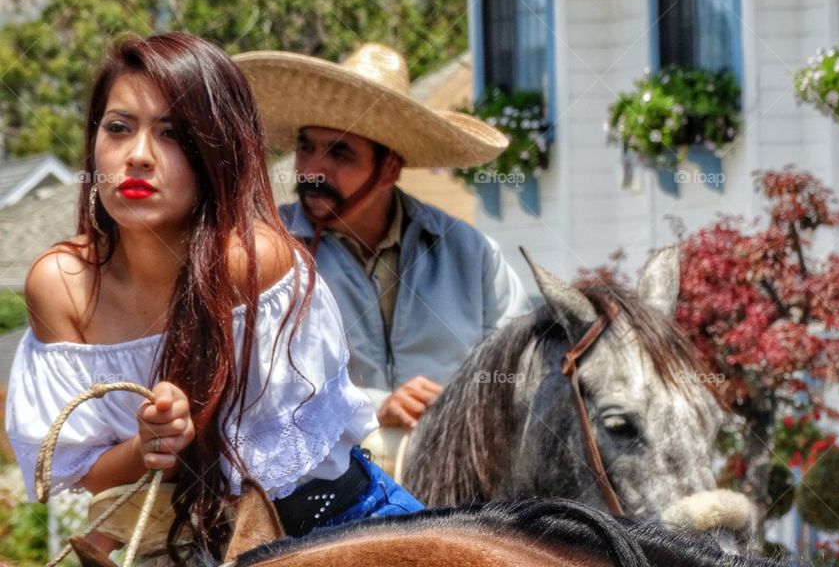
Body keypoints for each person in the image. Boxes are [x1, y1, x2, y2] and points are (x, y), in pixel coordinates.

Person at [4, 32, 422, 565]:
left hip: (334, 528)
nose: (137, 156)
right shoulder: (60, 282)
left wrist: (191, 438)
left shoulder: (256, 262)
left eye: (173, 134)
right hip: (175, 544)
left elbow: (270, 471)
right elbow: (81, 468)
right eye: (118, 128)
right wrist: (148, 444)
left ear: (215, 154)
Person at [232, 44, 531, 438]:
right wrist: (374, 406)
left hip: (459, 487)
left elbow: (523, 368)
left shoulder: (470, 254)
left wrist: (461, 404)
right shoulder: (268, 253)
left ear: (389, 168)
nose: (311, 169)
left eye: (339, 152)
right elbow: (256, 384)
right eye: (306, 148)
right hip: (323, 491)